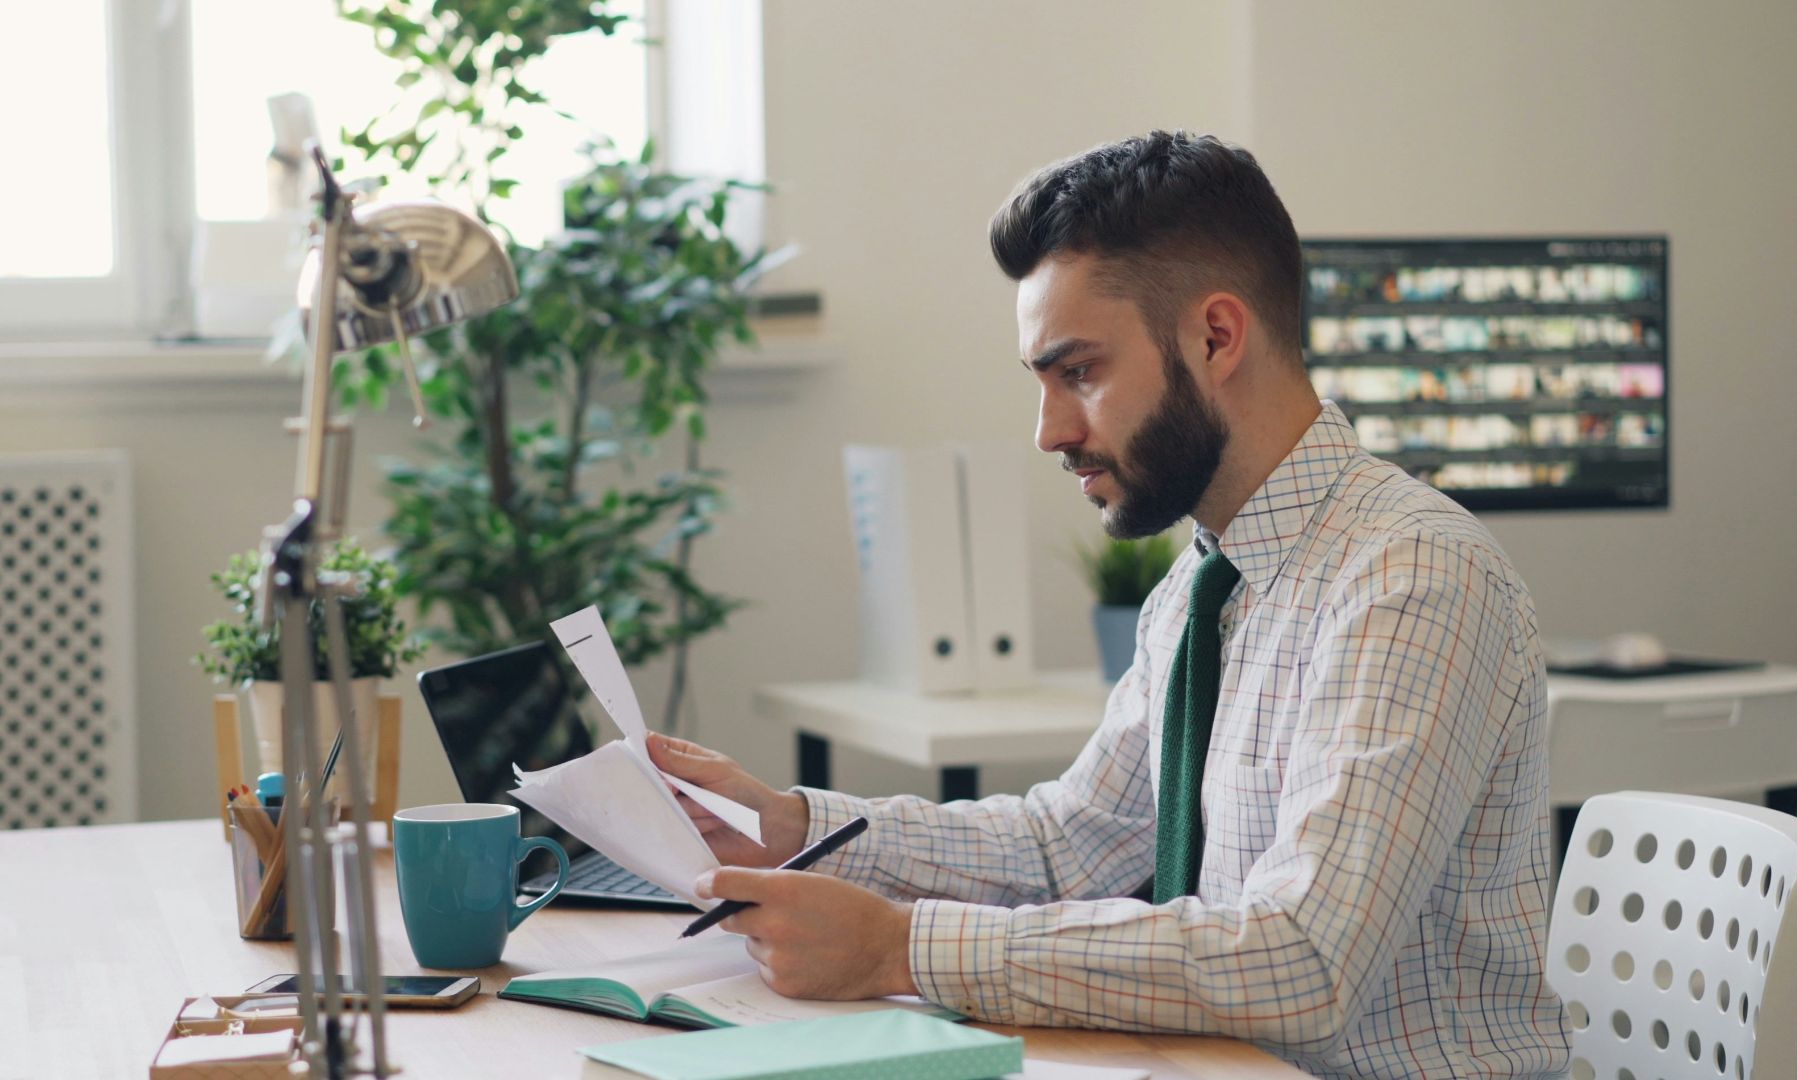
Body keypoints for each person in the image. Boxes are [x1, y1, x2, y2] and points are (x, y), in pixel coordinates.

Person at [646, 130, 1570, 1078]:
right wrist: (797, 827)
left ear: (1216, 337)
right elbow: (1065, 846)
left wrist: (898, 947)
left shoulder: (1411, 576)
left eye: (1078, 371)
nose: (1050, 431)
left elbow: (1303, 963)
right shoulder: (1202, 586)